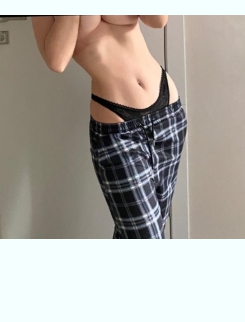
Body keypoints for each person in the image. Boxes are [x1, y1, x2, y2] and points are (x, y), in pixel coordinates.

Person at [31, 15, 188, 239]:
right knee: (145, 236)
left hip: (168, 114)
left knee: (141, 231)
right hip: (118, 131)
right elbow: (56, 61)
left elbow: (158, 20)